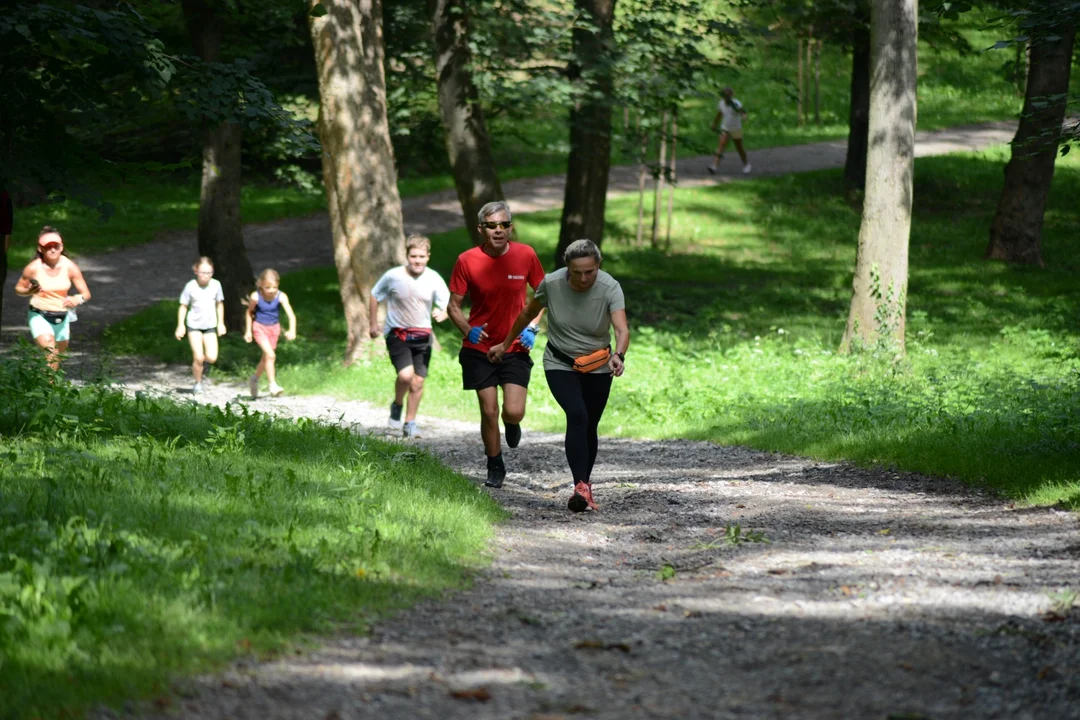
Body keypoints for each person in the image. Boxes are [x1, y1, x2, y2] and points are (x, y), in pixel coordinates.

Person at [490, 239, 629, 512]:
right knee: (577, 415)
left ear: (597, 267)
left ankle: (584, 486)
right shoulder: (552, 284)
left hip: (598, 363)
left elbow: (621, 329)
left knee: (589, 424)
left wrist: (619, 355)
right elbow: (526, 314)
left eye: (589, 271)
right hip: (560, 362)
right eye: (576, 272)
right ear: (567, 268)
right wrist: (505, 344)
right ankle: (580, 486)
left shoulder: (610, 286)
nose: (583, 278)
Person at [448, 201, 545, 489]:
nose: (499, 230)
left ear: (511, 227)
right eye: (492, 226)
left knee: (512, 411)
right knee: (488, 410)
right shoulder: (467, 260)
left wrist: (533, 326)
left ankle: (512, 424)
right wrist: (468, 330)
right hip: (479, 350)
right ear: (481, 230)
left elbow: (542, 295)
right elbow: (453, 306)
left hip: (515, 346)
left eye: (504, 224)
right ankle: (495, 463)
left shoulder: (525, 254)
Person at [368, 234, 451, 439]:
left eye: (421, 256)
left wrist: (444, 313)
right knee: (406, 376)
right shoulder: (393, 276)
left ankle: (410, 422)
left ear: (428, 257)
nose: (417, 260)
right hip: (397, 333)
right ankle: (397, 405)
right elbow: (374, 295)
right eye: (413, 256)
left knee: (418, 382)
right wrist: (372, 323)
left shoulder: (433, 278)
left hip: (423, 335)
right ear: (407, 256)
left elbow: (448, 303)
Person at [13, 226, 91, 370]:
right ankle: (50, 390)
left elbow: (86, 293)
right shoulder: (33, 268)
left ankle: (44, 385)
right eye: (48, 247)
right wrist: (29, 291)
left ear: (61, 247)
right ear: (40, 249)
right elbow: (18, 288)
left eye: (56, 246)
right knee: (51, 353)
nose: (52, 250)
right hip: (39, 314)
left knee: (56, 359)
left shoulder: (69, 266)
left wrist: (76, 299)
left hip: (62, 316)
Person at [175, 256, 226, 394]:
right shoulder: (190, 286)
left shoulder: (216, 285)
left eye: (209, 273)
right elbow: (183, 306)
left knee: (212, 356)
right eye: (203, 272)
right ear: (196, 271)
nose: (206, 276)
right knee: (198, 356)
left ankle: (205, 365)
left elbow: (219, 304)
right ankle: (198, 383)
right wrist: (181, 326)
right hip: (194, 325)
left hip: (210, 325)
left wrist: (221, 323)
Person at [244, 268, 297, 398]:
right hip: (259, 327)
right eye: (268, 287)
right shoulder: (255, 297)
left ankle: (254, 379)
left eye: (274, 287)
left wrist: (292, 330)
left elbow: (291, 315)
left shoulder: (281, 296)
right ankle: (272, 385)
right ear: (261, 284)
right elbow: (249, 313)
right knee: (271, 355)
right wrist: (248, 330)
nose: (271, 290)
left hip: (274, 329)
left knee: (267, 358)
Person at [707, 86, 751, 175]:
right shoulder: (721, 103)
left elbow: (742, 111)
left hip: (736, 128)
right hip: (725, 128)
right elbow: (719, 114)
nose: (726, 97)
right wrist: (715, 123)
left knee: (739, 148)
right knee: (721, 146)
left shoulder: (735, 104)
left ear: (731, 95)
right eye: (724, 95)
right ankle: (714, 166)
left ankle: (746, 165)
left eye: (728, 95)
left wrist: (744, 116)